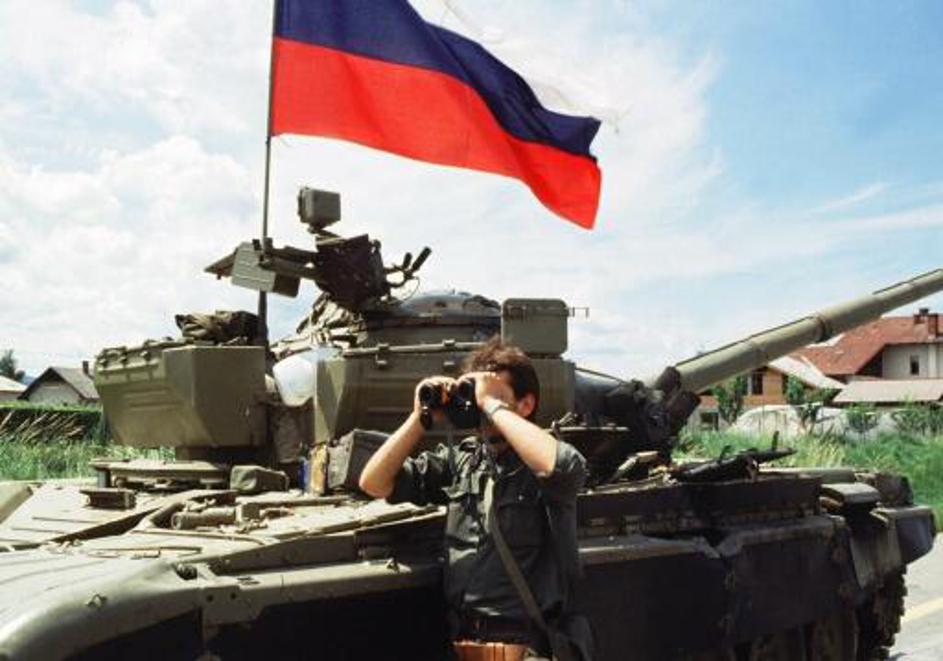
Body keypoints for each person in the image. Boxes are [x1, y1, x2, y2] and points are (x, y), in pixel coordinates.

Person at [359, 338, 592, 660]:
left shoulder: (542, 464)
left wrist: (492, 404)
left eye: (494, 396)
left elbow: (564, 466)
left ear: (526, 404)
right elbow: (374, 482)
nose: (480, 407)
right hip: (466, 642)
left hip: (526, 646)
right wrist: (419, 418)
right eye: (475, 397)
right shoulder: (464, 462)